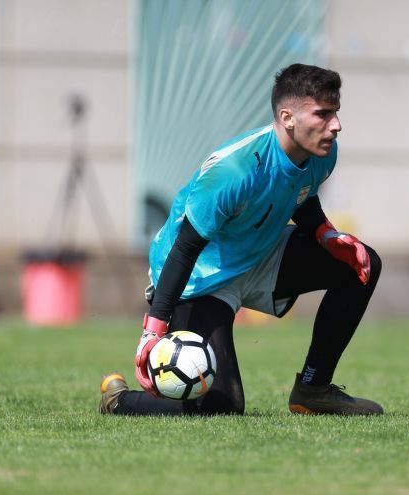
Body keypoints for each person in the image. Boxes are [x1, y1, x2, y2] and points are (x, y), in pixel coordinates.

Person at [99, 63, 383, 416]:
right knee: (221, 406)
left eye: (335, 113)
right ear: (287, 118)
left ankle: (314, 389)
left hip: (258, 255)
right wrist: (152, 330)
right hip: (200, 276)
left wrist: (326, 234)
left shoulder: (322, 154)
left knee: (360, 264)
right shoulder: (234, 170)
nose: (336, 125)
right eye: (323, 114)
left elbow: (301, 195)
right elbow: (185, 247)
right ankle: (118, 400)